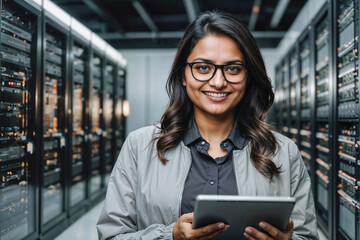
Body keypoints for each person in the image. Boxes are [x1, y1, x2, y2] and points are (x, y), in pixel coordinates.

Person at [97, 11, 319, 240]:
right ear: (183, 75)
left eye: (233, 69)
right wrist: (169, 236)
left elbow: (307, 236)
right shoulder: (140, 146)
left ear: (248, 77)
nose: (218, 82)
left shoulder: (283, 152)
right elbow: (111, 236)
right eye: (203, 67)